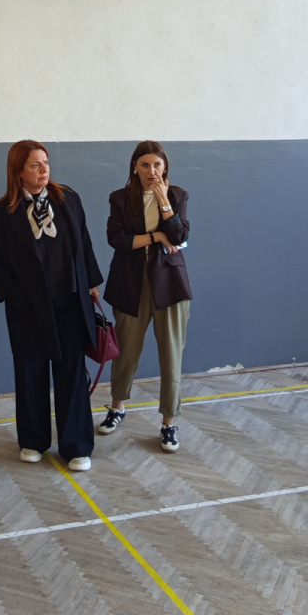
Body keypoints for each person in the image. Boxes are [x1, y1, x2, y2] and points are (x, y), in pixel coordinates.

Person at [0, 140, 102, 470]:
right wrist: (14, 294)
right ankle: (33, 440)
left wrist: (90, 282)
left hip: (70, 301)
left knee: (71, 372)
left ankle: (76, 445)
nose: (44, 170)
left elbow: (84, 243)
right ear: (18, 171)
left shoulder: (68, 200)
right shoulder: (1, 214)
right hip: (28, 309)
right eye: (35, 165)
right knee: (30, 370)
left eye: (46, 163)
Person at [98, 141, 192, 452]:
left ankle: (169, 422)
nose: (152, 171)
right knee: (125, 351)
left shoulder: (178, 195)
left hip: (171, 285)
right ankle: (117, 407)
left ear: (165, 167)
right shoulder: (120, 198)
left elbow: (180, 235)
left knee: (171, 354)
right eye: (145, 165)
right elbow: (117, 239)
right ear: (135, 167)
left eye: (157, 165)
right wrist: (156, 236)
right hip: (130, 283)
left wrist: (163, 200)